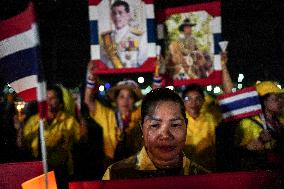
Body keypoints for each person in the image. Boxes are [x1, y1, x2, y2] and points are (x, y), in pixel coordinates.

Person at [102, 88, 209, 180]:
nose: (165, 135)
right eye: (155, 125)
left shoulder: (204, 178)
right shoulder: (115, 175)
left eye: (175, 125)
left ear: (186, 125)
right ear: (142, 128)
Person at [17, 85, 80, 189]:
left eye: (52, 98)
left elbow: (81, 140)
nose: (48, 102)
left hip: (61, 173)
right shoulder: (34, 120)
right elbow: (21, 144)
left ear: (60, 101)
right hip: (38, 173)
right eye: (45, 98)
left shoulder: (69, 120)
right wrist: (19, 128)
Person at [84, 62, 143, 168]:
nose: (126, 101)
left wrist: (158, 72)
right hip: (111, 164)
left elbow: (154, 100)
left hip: (136, 164)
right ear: (116, 100)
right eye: (121, 96)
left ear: (134, 100)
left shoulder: (139, 114)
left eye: (130, 96)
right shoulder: (108, 116)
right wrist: (90, 77)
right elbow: (88, 101)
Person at [234, 81, 284, 170]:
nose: (281, 101)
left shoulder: (279, 121)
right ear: (264, 101)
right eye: (276, 99)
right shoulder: (248, 123)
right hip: (259, 174)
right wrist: (260, 141)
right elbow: (239, 154)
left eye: (281, 97)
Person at [100, 0, 148, 68]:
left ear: (128, 15)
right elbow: (102, 63)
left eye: (120, 13)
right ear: (111, 16)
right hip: (112, 77)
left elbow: (142, 61)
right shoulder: (105, 38)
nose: (117, 16)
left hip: (134, 75)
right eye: (114, 13)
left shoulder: (139, 36)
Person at [182, 84, 218, 171]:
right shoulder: (177, 121)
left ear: (203, 101)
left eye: (198, 98)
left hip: (207, 170)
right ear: (182, 102)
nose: (193, 103)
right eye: (188, 99)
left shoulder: (211, 118)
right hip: (184, 172)